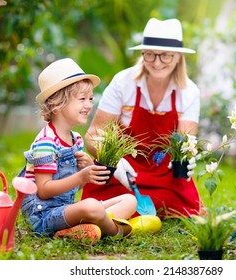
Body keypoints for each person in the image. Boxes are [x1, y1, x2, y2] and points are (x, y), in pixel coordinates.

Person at [82, 18, 201, 218]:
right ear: (142, 53)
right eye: (150, 55)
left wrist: (186, 158)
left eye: (165, 56)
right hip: (125, 172)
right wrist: (115, 162)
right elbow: (93, 134)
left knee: (175, 206)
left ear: (179, 56)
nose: (156, 63)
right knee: (110, 199)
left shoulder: (189, 92)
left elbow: (186, 141)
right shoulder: (123, 83)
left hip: (164, 174)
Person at [19, 58, 136, 243]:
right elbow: (43, 190)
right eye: (82, 99)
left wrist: (86, 171)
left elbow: (71, 189)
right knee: (91, 206)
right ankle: (116, 231)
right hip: (44, 216)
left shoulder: (76, 140)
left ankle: (81, 229)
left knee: (130, 201)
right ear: (58, 103)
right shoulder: (46, 142)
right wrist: (81, 177)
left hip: (65, 210)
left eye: (90, 99)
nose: (89, 105)